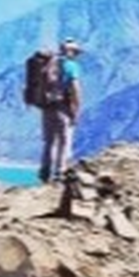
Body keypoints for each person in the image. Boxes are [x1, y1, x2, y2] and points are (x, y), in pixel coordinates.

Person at [39, 38, 83, 184]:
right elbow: (75, 89)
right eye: (75, 52)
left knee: (49, 142)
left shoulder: (49, 64)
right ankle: (59, 173)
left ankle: (45, 172)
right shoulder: (71, 66)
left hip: (46, 107)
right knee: (64, 141)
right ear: (71, 52)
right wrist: (76, 109)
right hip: (62, 107)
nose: (76, 55)